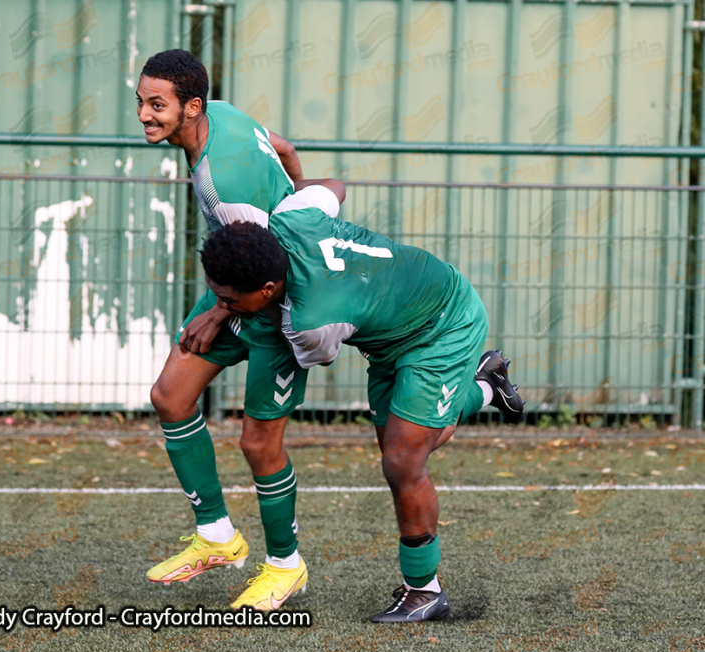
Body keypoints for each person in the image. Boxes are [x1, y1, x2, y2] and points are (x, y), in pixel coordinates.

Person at [198, 205, 525, 623]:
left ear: (265, 289)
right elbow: (331, 190)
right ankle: (485, 386)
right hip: (389, 334)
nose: (221, 306)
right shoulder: (289, 218)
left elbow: (313, 352)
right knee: (411, 443)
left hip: (443, 324)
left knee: (404, 461)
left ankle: (424, 591)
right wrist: (223, 308)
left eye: (227, 299)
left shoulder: (310, 324)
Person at [137, 49, 342, 610]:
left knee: (258, 442)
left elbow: (269, 257)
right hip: (236, 284)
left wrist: (220, 311)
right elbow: (285, 148)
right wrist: (299, 200)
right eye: (142, 102)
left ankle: (285, 567)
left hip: (275, 303)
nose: (145, 115)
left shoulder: (225, 185)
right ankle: (217, 537)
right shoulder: (224, 114)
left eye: (158, 105)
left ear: (191, 106)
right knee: (171, 397)